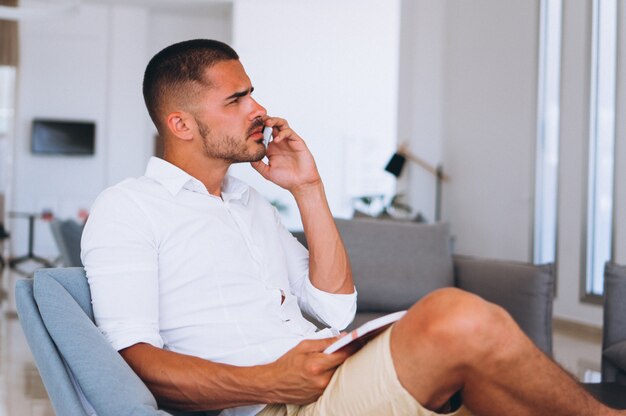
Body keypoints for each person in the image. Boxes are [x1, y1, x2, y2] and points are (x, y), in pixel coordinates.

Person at [81, 39, 621, 416]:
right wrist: (267, 380)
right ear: (180, 124)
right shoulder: (128, 208)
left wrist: (308, 188)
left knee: (490, 382)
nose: (259, 109)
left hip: (325, 380)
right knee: (455, 316)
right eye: (236, 99)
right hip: (273, 404)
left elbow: (334, 307)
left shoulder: (249, 205)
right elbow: (132, 361)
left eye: (252, 92)